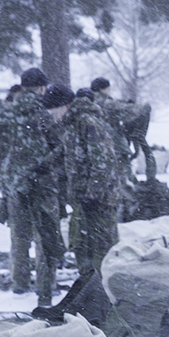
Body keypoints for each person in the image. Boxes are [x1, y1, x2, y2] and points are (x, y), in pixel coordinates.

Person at [0, 69, 65, 306]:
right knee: (45, 235)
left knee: (19, 235)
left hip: (14, 185)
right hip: (43, 184)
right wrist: (45, 165)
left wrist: (7, 179)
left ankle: (19, 282)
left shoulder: (6, 114)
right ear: (42, 88)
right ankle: (46, 285)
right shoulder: (45, 113)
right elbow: (61, 146)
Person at [49, 88, 121, 275]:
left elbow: (103, 162)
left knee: (103, 247)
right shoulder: (71, 124)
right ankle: (89, 286)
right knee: (82, 246)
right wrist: (45, 164)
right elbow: (68, 152)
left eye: (55, 112)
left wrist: (93, 194)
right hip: (82, 198)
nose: (53, 117)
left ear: (66, 106)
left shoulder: (87, 122)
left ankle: (106, 288)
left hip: (102, 199)